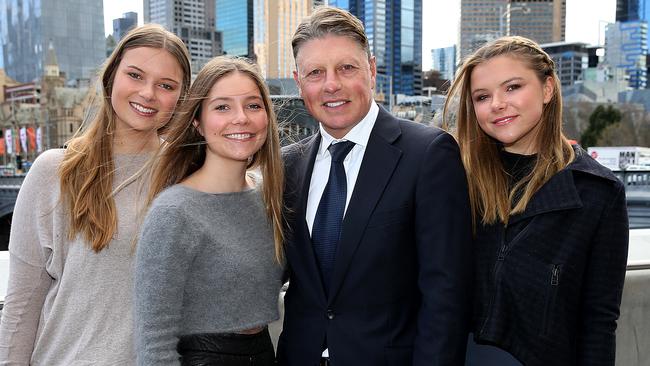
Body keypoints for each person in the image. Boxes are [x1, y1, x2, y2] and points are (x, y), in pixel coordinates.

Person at [277, 6, 473, 366]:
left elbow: (446, 296)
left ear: (371, 69)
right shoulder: (286, 164)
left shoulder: (428, 154)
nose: (331, 84)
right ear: (298, 81)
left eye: (346, 68)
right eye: (315, 72)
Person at [0, 24, 191, 365]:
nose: (148, 93)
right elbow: (21, 306)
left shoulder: (188, 176)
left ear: (180, 98)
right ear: (111, 77)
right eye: (135, 75)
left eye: (166, 85)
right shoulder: (53, 172)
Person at [443, 36, 629, 366]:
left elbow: (598, 320)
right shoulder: (456, 177)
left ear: (547, 89)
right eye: (482, 97)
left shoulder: (597, 191)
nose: (497, 103)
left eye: (512, 87)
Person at [134, 56, 285, 366]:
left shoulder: (266, 197)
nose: (241, 118)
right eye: (222, 107)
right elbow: (153, 340)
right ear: (197, 123)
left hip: (263, 354)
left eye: (253, 106)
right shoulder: (175, 212)